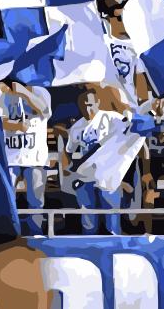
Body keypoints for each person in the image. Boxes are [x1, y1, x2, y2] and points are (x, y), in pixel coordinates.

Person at [61, 84, 122, 235]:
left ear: (98, 103)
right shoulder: (77, 127)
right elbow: (69, 150)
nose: (88, 109)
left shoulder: (111, 118)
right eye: (84, 105)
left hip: (107, 176)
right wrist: (72, 166)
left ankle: (115, 243)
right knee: (88, 218)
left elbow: (128, 127)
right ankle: (89, 243)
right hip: (85, 177)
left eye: (90, 104)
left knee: (112, 217)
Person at [0, 81, 50, 235]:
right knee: (7, 199)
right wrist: (16, 126)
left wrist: (24, 92)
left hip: (35, 158)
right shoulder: (4, 95)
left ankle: (36, 232)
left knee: (36, 201)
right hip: (10, 158)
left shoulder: (41, 91)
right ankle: (9, 232)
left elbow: (45, 111)